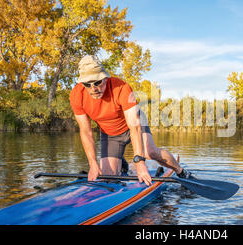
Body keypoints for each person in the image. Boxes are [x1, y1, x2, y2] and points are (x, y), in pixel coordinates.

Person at [69, 55, 193, 185]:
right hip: (110, 133)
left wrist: (140, 163)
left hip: (133, 126)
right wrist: (93, 163)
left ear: (105, 78)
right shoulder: (77, 95)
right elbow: (86, 132)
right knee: (107, 178)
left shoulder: (122, 88)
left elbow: (134, 127)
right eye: (87, 84)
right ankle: (121, 165)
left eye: (97, 82)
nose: (93, 89)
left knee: (149, 152)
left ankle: (181, 171)